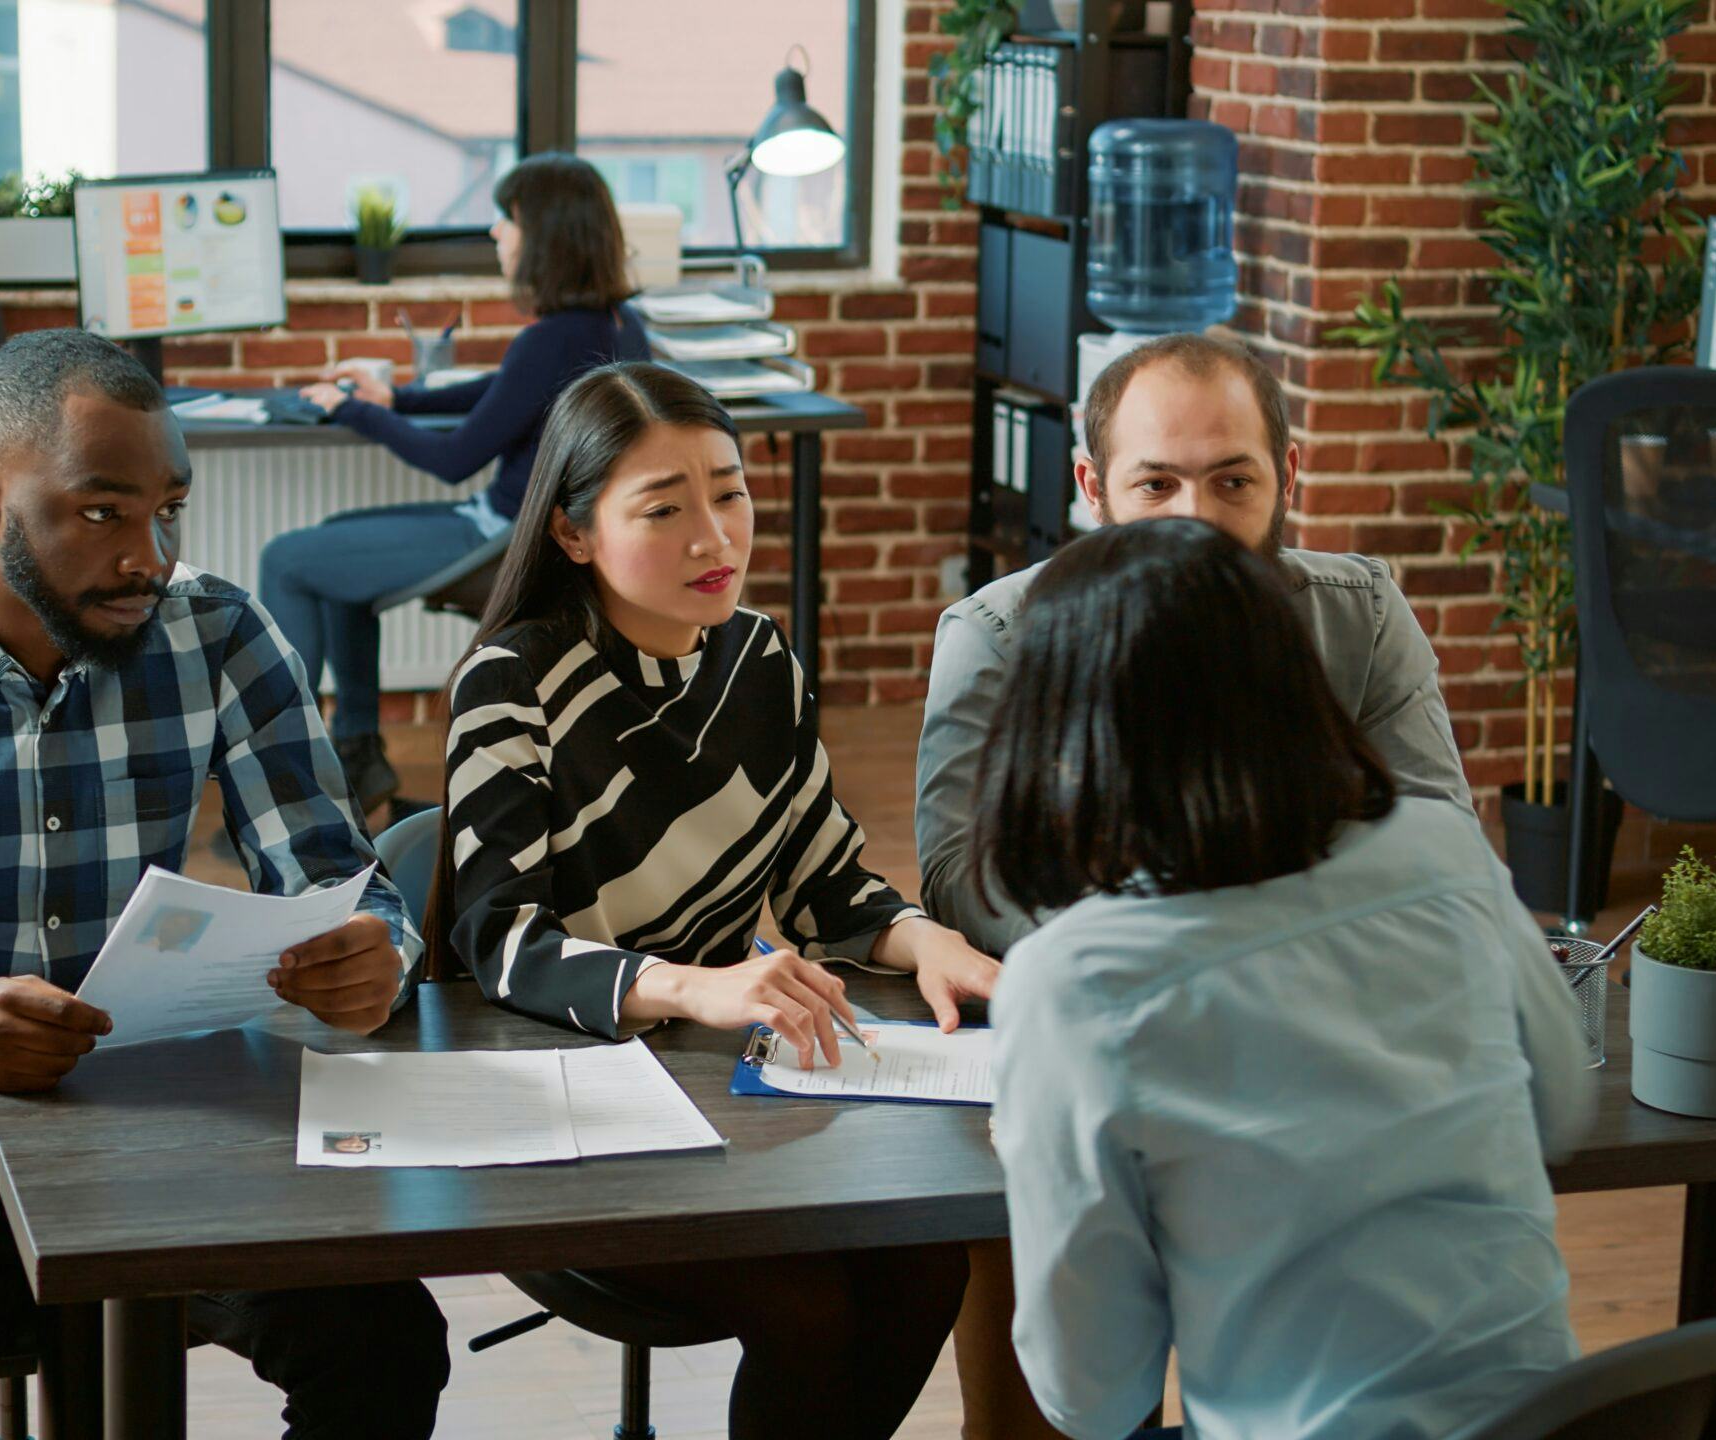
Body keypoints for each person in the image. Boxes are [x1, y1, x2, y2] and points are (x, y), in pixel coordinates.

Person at [0, 330, 449, 1440]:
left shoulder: (219, 635)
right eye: (102, 512)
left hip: (166, 1099)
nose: (151, 554)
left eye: (168, 509)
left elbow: (342, 882)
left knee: (387, 1348)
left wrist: (375, 953)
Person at [912, 331, 1475, 1436]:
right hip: (1134, 1043)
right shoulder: (1000, 634)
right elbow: (959, 871)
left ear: (1287, 477)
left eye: (1232, 481)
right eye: (1157, 483)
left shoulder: (1351, 615)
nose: (1197, 519)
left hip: (1313, 1066)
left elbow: (1435, 828)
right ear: (1091, 489)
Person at [428, 361, 997, 1440]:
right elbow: (498, 943)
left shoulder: (760, 663)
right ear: (572, 532)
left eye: (729, 492)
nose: (714, 537)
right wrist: (696, 987)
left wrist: (925, 939)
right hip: (563, 1101)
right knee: (808, 1309)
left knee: (927, 1265)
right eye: (663, 507)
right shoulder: (513, 681)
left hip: (725, 1092)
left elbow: (825, 881)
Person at [975, 518, 1596, 1440]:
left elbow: (1091, 1396)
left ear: (1067, 737)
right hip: (1552, 1419)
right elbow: (1565, 1110)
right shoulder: (1443, 849)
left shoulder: (1076, 981)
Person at [261, 153, 650, 817]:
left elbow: (454, 458)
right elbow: (500, 396)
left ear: (548, 236)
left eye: (509, 220)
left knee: (289, 561)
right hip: (512, 529)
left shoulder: (553, 338)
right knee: (331, 549)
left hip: (501, 545)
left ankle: (289, 791)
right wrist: (398, 398)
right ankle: (358, 757)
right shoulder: (611, 325)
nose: (498, 234)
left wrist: (354, 408)